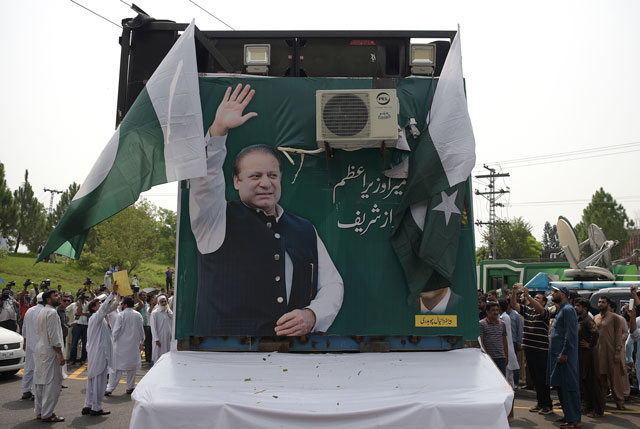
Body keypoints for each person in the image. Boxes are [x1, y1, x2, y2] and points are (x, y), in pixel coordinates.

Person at [189, 83, 344, 337]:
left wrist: (313, 315)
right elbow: (205, 182)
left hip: (293, 360)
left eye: (272, 175)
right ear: (236, 181)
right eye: (255, 176)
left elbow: (333, 284)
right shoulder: (214, 220)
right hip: (224, 360)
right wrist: (218, 132)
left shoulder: (305, 229)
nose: (265, 182)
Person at [511, 283, 553, 415]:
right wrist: (514, 291)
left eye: (539, 298)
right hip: (529, 349)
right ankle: (540, 403)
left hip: (541, 350)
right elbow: (514, 305)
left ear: (545, 302)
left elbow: (540, 309)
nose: (536, 300)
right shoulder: (527, 310)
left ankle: (547, 405)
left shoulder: (545, 312)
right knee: (535, 379)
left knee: (542, 379)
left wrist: (528, 296)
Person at [83, 283, 119, 416]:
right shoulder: (96, 317)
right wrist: (112, 294)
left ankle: (88, 405)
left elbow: (109, 308)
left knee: (92, 381)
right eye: (99, 303)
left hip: (97, 354)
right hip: (99, 354)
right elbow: (104, 309)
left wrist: (116, 296)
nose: (101, 305)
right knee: (99, 381)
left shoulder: (98, 318)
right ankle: (96, 407)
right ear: (93, 308)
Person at [547, 286, 580, 428]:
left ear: (564, 295)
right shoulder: (561, 309)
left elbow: (571, 334)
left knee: (569, 387)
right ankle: (568, 415)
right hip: (558, 355)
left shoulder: (568, 310)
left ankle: (574, 420)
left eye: (556, 292)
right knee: (561, 387)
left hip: (564, 356)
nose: (553, 294)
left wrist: (565, 352)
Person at [33, 290, 65, 422]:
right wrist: (60, 354)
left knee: (41, 383)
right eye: (55, 296)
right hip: (51, 352)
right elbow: (54, 336)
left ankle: (40, 411)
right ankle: (47, 414)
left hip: (41, 349)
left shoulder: (42, 311)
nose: (58, 297)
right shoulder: (51, 313)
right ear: (47, 300)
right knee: (52, 385)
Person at [105, 296, 145, 395]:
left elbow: (116, 331)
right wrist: (142, 342)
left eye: (122, 303)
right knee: (131, 368)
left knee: (116, 368)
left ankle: (110, 388)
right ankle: (130, 387)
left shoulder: (121, 315)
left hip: (120, 345)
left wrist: (113, 341)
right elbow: (141, 330)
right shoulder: (138, 315)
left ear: (125, 305)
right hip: (133, 345)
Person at [594, 296, 626, 410]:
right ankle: (601, 401)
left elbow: (618, 335)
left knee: (615, 378)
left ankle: (620, 401)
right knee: (600, 378)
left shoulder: (614, 318)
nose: (600, 304)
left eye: (603, 302)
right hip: (598, 352)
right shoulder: (596, 317)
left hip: (612, 352)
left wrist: (618, 351)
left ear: (608, 304)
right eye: (599, 302)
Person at [574, 298, 603, 418]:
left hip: (589, 356)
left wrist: (589, 345)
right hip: (581, 356)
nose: (575, 307)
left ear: (585, 308)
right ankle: (588, 407)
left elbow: (595, 332)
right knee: (584, 383)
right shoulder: (579, 319)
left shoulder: (587, 320)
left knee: (593, 383)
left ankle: (598, 410)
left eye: (578, 306)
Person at [20, 292, 44, 400]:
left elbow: (24, 327)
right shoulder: (44, 311)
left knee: (28, 367)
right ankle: (35, 392)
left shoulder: (30, 310)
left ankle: (26, 390)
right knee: (38, 368)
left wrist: (25, 341)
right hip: (40, 344)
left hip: (29, 343)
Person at [479, 301, 508, 375]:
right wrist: (486, 357)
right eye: (493, 310)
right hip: (489, 358)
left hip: (501, 358)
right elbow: (481, 342)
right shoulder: (482, 324)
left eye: (497, 310)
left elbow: (504, 342)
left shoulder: (502, 324)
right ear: (487, 312)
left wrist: (506, 357)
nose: (495, 312)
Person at [499, 299, 520, 388]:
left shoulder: (504, 317)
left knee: (507, 372)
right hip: (507, 344)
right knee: (508, 372)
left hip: (506, 345)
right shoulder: (505, 316)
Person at [150, 295, 173, 363]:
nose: (163, 303)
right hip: (159, 338)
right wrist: (156, 339)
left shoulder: (168, 312)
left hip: (167, 338)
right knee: (158, 356)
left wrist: (169, 311)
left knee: (167, 355)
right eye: (162, 301)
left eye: (165, 301)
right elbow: (153, 328)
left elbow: (173, 319)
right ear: (158, 303)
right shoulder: (155, 313)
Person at [69, 293, 89, 365]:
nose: (83, 299)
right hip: (77, 324)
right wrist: (80, 302)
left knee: (85, 343)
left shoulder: (87, 304)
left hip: (85, 325)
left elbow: (89, 313)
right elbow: (78, 311)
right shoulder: (74, 305)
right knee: (74, 343)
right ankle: (72, 359)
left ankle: (83, 359)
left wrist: (82, 313)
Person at [135, 291, 153, 365]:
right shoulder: (137, 305)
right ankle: (138, 358)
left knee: (148, 342)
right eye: (143, 295)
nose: (145, 297)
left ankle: (148, 358)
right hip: (141, 326)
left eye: (145, 295)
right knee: (140, 342)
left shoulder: (149, 305)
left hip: (148, 326)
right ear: (140, 297)